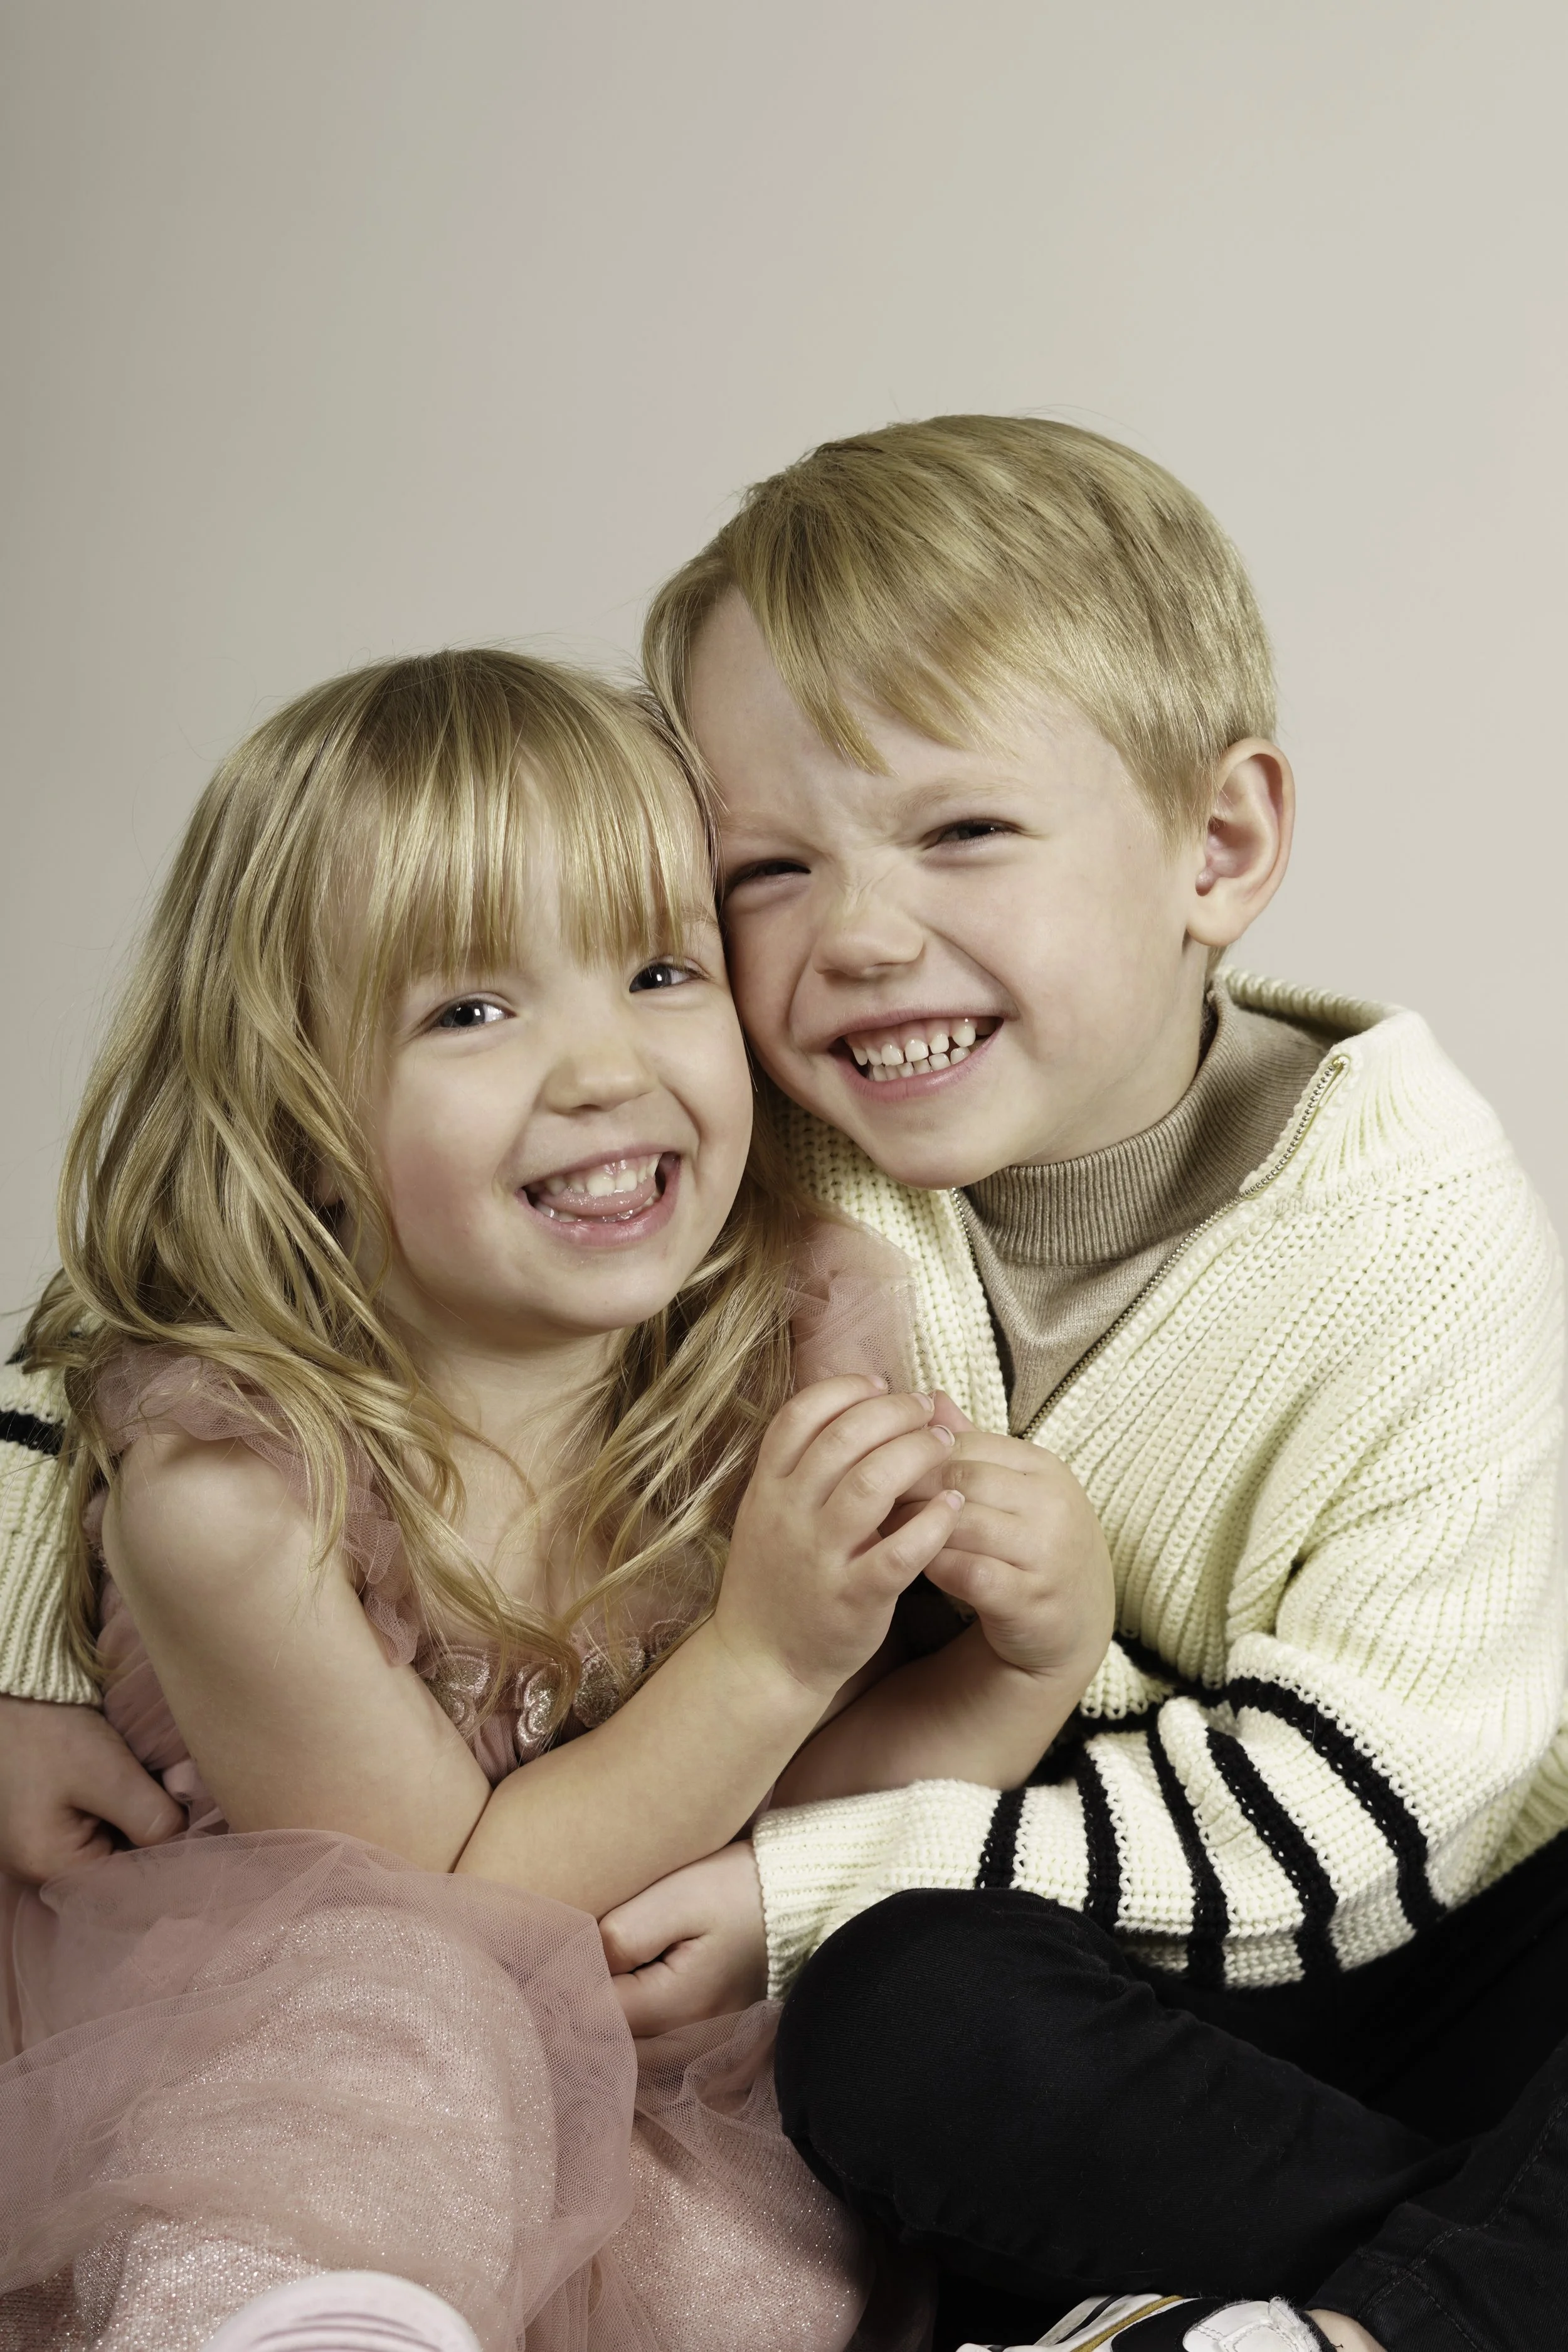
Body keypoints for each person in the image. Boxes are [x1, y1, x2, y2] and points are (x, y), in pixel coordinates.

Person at [0, 645, 1111, 2351]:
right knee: (371, 2045)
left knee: (754, 2259)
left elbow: (786, 1822)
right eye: (470, 1008)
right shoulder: (231, 1486)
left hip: (661, 2076)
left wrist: (1017, 1668)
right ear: (287, 1098)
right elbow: (459, 1900)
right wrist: (762, 1651)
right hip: (301, 2048)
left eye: (660, 969)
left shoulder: (800, 1337)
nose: (602, 1067)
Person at [608, 416, 1562, 2352]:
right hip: (1092, 2026)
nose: (859, 934)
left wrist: (830, 1863)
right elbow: (287, 1244)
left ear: (1217, 848)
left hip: (1417, 1927)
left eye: (959, 830)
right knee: (896, 2011)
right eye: (765, 868)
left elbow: (1372, 1809)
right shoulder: (743, 1138)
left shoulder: (1418, 1226)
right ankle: (1429, 2297)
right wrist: (33, 1581)